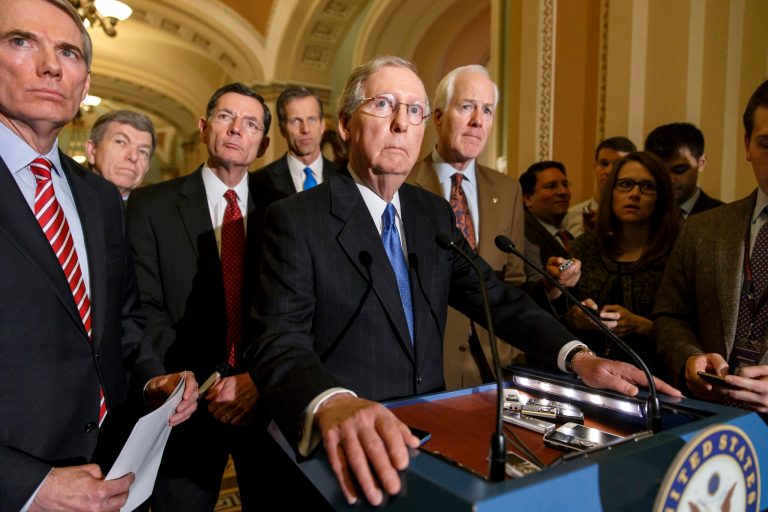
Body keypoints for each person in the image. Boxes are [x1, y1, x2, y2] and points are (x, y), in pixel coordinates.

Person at [245, 55, 680, 507]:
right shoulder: (295, 219)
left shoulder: (430, 213)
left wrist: (578, 356)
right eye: (383, 105)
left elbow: (495, 295)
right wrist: (331, 402)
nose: (401, 123)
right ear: (347, 125)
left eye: (414, 110)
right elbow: (277, 340)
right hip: (349, 456)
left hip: (431, 448)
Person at [0, 1, 197, 511]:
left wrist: (157, 377)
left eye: (67, 51)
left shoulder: (100, 198)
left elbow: (122, 320)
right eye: (22, 41)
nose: (50, 65)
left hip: (113, 472)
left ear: (83, 84)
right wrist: (28, 486)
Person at [127, 83, 287, 511]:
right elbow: (144, 306)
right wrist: (185, 381)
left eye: (250, 123)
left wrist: (259, 380)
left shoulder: (286, 211)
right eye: (225, 117)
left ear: (264, 143)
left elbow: (294, 311)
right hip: (185, 405)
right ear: (203, 127)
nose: (237, 129)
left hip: (264, 401)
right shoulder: (150, 206)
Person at [406, 64, 577, 389]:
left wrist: (549, 283)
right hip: (428, 365)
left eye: (487, 110)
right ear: (439, 117)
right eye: (467, 106)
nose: (477, 121)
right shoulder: (406, 187)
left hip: (498, 365)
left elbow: (512, 280)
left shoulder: (507, 189)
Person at [653, 79, 768, 412]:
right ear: (747, 145)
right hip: (710, 426)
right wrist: (689, 356)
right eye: (766, 143)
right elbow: (669, 316)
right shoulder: (703, 229)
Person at [566, 152, 680, 375]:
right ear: (611, 192)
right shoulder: (585, 247)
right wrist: (576, 316)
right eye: (625, 185)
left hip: (657, 376)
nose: (634, 194)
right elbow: (558, 316)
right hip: (588, 374)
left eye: (647, 186)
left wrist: (641, 325)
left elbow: (694, 330)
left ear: (661, 196)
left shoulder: (678, 250)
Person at [254, 85, 338, 194]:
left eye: (311, 119)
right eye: (295, 121)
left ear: (322, 125)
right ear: (282, 129)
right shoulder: (260, 181)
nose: (305, 129)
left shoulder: (345, 178)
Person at [644, 122, 724, 219]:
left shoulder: (723, 216)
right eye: (660, 171)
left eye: (679, 170)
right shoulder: (641, 212)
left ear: (701, 162)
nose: (669, 179)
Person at [564, 136, 637, 237]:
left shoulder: (636, 215)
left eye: (617, 165)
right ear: (595, 168)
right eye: (604, 164)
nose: (609, 171)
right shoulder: (571, 216)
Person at [86, 109, 156, 199]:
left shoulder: (160, 211)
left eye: (142, 151)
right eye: (120, 142)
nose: (133, 157)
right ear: (91, 150)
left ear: (147, 167)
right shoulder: (65, 203)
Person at [520, 160, 573, 268]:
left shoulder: (566, 235)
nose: (563, 192)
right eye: (551, 186)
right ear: (528, 199)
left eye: (565, 184)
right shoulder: (523, 235)